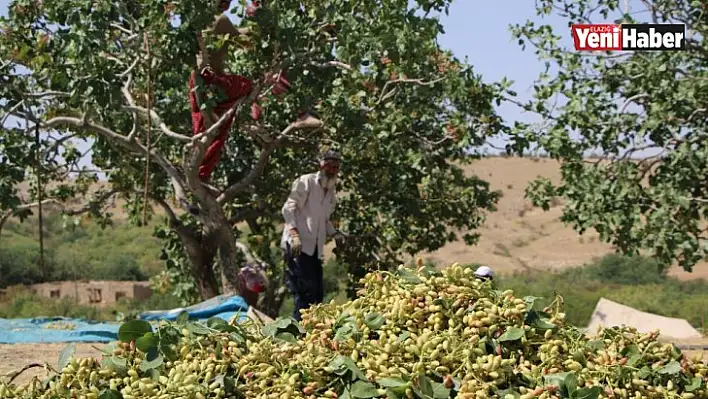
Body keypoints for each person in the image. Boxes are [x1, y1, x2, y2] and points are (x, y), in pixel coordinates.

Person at [280, 150, 347, 320]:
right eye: (329, 165)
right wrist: (294, 234)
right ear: (322, 165)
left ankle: (312, 336)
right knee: (303, 296)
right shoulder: (306, 182)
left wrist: (335, 234)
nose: (332, 170)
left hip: (314, 249)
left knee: (317, 296)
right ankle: (298, 336)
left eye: (336, 167)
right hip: (297, 246)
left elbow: (324, 221)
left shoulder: (331, 192)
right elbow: (288, 209)